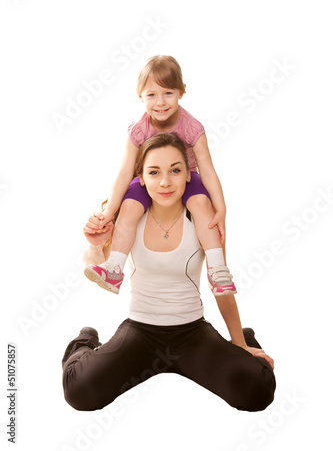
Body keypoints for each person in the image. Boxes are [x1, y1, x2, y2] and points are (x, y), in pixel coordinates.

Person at [62, 133, 276, 412]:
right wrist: (96, 243)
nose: (165, 182)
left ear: (189, 175)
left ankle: (246, 339)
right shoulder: (128, 217)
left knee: (257, 392)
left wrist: (239, 344)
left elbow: (220, 286)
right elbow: (96, 260)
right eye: (154, 172)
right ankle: (86, 341)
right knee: (80, 392)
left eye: (175, 170)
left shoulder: (203, 219)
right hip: (140, 331)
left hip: (192, 333)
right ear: (141, 177)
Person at [84, 55, 235, 296]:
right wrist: (109, 212)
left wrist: (221, 209)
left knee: (200, 202)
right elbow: (124, 173)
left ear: (181, 92)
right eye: (151, 95)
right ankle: (114, 268)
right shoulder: (138, 129)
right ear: (140, 96)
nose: (160, 102)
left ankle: (218, 269)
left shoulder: (192, 127)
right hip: (148, 180)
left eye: (168, 93)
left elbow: (207, 170)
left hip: (184, 178)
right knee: (130, 204)